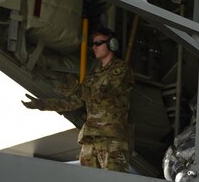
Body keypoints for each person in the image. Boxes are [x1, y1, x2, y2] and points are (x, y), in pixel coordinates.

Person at [22, 28, 133, 172]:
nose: (94, 47)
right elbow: (74, 102)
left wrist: (79, 90)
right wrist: (42, 104)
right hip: (90, 138)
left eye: (98, 43)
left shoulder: (121, 69)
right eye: (93, 44)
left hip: (110, 137)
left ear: (112, 44)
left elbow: (107, 93)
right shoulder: (93, 76)